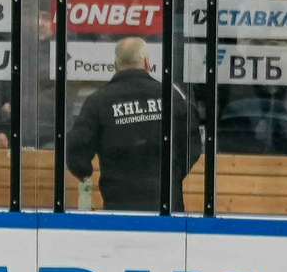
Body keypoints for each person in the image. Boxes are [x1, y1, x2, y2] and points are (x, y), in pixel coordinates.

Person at [67, 35, 199, 211]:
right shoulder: (172, 97)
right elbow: (192, 144)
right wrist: (173, 175)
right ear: (146, 62)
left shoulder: (99, 101)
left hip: (118, 203)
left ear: (115, 65)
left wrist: (84, 174)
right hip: (165, 203)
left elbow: (76, 149)